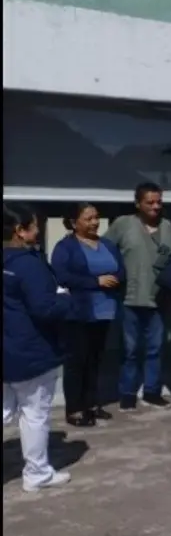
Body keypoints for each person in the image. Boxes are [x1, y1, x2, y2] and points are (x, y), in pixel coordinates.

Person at [3, 204, 75, 492]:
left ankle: (37, 471)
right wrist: (67, 298)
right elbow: (44, 307)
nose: (38, 231)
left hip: (8, 347)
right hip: (31, 349)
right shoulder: (27, 264)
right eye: (34, 226)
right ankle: (37, 473)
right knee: (34, 413)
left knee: (6, 408)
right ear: (20, 231)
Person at [105, 182, 171, 411]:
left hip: (158, 301)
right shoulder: (123, 224)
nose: (155, 206)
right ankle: (127, 393)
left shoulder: (169, 227)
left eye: (159, 202)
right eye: (150, 202)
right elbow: (105, 251)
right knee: (129, 350)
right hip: (129, 298)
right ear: (138, 203)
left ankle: (151, 392)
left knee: (155, 349)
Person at [50, 203, 126, 426]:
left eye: (96, 217)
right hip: (79, 312)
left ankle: (92, 404)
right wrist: (95, 281)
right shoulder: (66, 247)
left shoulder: (108, 245)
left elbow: (121, 270)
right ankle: (74, 409)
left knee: (95, 360)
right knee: (77, 361)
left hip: (105, 311)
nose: (95, 222)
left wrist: (115, 279)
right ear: (74, 223)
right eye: (88, 218)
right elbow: (61, 275)